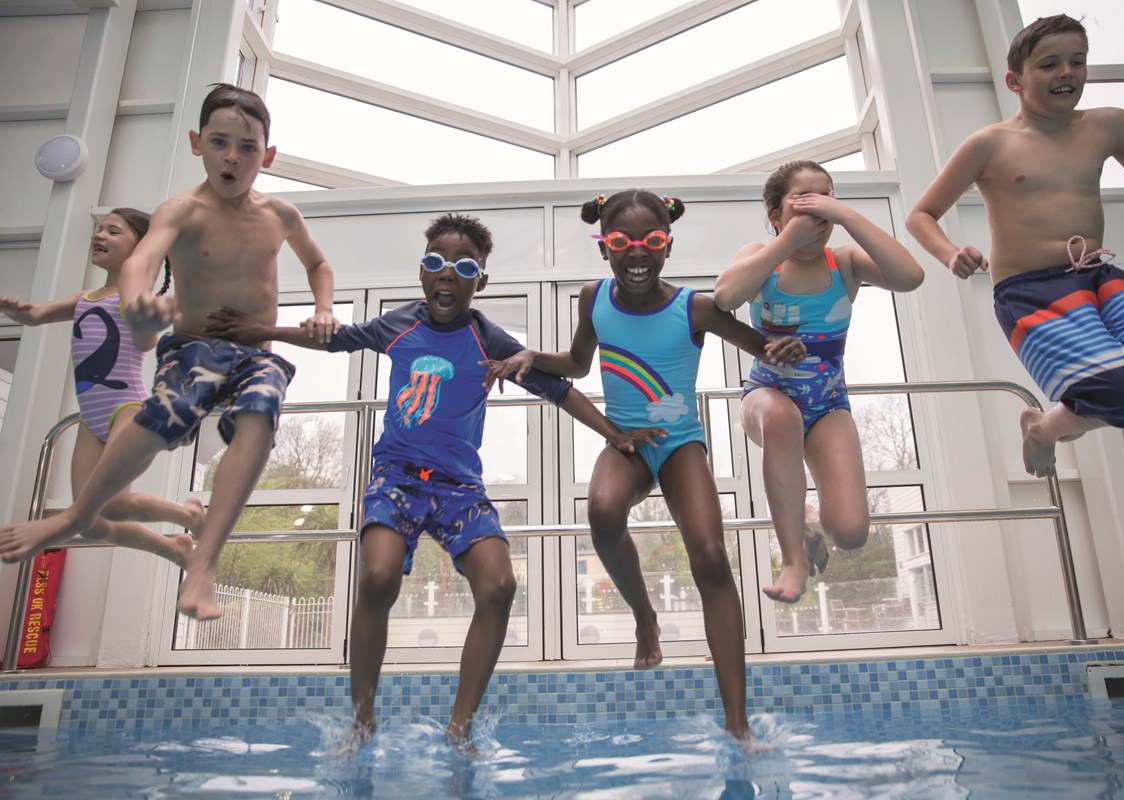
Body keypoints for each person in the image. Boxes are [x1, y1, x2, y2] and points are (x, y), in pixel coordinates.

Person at [207, 213, 665, 756]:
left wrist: (615, 435)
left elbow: (560, 390)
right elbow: (337, 342)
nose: (447, 275)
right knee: (377, 577)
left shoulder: (488, 338)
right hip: (396, 477)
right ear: (422, 274)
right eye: (435, 264)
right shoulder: (396, 324)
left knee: (498, 587)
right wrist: (261, 331)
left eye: (463, 267)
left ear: (481, 283)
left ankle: (460, 726)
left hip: (458, 488)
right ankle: (362, 719)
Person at [0, 84, 339, 623]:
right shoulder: (181, 210)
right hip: (193, 347)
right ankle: (77, 517)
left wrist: (323, 307)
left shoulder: (280, 215)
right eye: (220, 142)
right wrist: (136, 298)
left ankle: (203, 563)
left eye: (247, 147)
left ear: (267, 156)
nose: (233, 156)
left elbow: (318, 264)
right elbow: (144, 257)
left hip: (254, 349)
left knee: (260, 417)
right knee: (165, 414)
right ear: (196, 144)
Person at [483, 190, 806, 743]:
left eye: (651, 242)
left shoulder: (695, 307)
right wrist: (533, 356)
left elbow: (761, 344)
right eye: (621, 243)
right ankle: (645, 617)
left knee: (709, 555)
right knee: (603, 510)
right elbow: (579, 366)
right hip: (627, 441)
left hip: (679, 443)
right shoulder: (594, 298)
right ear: (604, 248)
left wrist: (783, 348)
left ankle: (736, 722)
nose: (637, 254)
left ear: (668, 246)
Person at [906, 14, 1124, 478]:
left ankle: (1060, 420)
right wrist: (950, 253)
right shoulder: (989, 144)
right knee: (1122, 391)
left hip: (1098, 275)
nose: (1067, 72)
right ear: (1015, 81)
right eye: (1049, 64)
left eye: (1076, 61)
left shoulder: (1110, 126)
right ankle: (1043, 430)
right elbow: (920, 215)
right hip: (1030, 290)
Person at [713, 161, 924, 603]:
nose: (817, 214)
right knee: (782, 416)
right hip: (766, 399)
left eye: (825, 200)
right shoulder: (761, 257)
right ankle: (792, 562)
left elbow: (910, 277)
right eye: (803, 204)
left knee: (850, 533)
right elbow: (725, 297)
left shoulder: (843, 263)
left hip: (828, 405)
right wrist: (787, 241)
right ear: (775, 215)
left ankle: (808, 523)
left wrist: (847, 216)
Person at [0, 208, 203, 566]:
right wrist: (19, 312)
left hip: (128, 410)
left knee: (110, 504)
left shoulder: (138, 300)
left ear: (141, 248)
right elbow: (35, 316)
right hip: (90, 419)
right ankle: (173, 547)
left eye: (113, 231)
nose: (100, 235)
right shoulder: (86, 297)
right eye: (99, 229)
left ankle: (189, 516)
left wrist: (143, 319)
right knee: (92, 522)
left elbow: (145, 341)